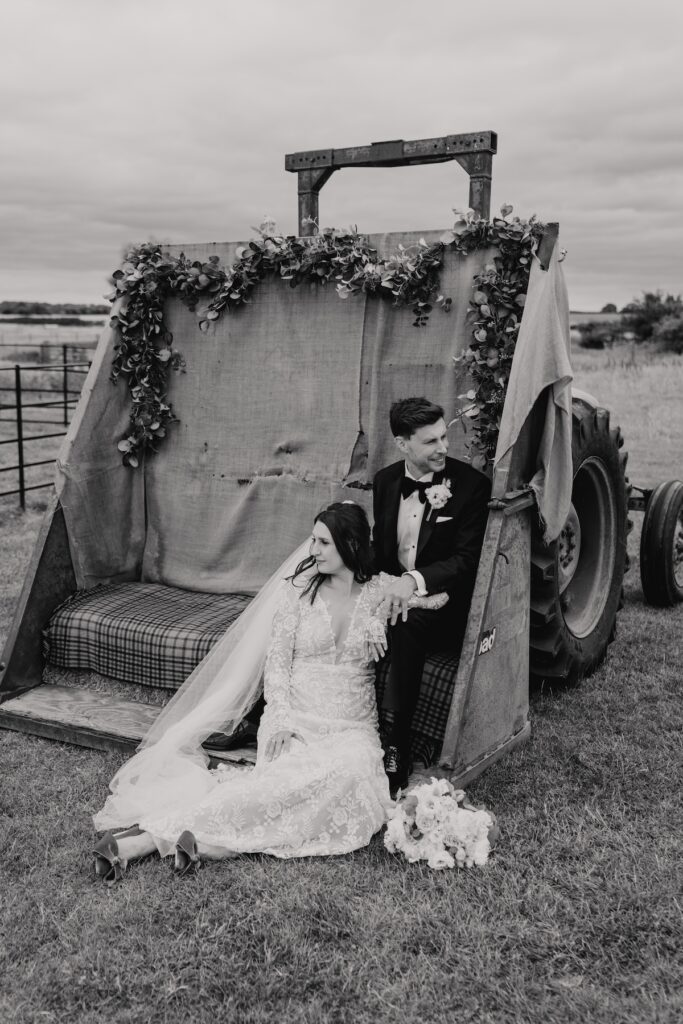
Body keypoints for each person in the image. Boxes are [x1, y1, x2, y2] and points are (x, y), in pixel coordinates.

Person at [93, 503, 409, 882]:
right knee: (284, 783)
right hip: (297, 722)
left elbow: (437, 596)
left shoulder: (378, 591)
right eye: (314, 540)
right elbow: (276, 668)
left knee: (350, 779)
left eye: (324, 542)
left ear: (351, 544)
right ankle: (144, 843)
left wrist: (387, 606)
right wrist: (280, 722)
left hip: (353, 731)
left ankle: (202, 845)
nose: (314, 550)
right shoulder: (297, 593)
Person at [372, 397, 492, 792]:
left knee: (408, 623)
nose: (443, 448)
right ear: (402, 444)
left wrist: (414, 581)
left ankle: (397, 745)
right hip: (396, 591)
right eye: (430, 442)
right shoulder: (387, 481)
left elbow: (466, 561)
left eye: (444, 437)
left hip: (447, 607)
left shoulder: (472, 487)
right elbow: (381, 551)